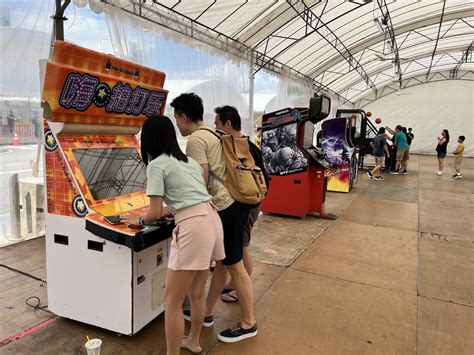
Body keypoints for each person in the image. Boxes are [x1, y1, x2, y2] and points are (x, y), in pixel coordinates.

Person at [121, 116, 225, 355]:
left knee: (172, 302)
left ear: (148, 140)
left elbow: (155, 213)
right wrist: (159, 212)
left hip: (193, 228)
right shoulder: (187, 161)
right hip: (211, 220)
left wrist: (137, 220)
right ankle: (193, 341)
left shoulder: (156, 164)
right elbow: (186, 200)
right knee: (197, 294)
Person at [170, 93, 257, 343]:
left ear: (185, 117)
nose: (177, 124)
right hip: (233, 203)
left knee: (234, 266)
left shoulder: (197, 140)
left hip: (225, 206)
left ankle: (249, 322)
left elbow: (202, 180)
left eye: (177, 119)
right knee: (224, 262)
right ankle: (206, 312)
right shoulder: (213, 133)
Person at [212, 105, 268, 304]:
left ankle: (239, 288)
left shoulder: (236, 147)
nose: (215, 128)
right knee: (239, 248)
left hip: (245, 205)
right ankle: (234, 285)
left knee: (241, 248)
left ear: (228, 124)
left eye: (217, 123)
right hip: (251, 203)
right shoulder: (248, 144)